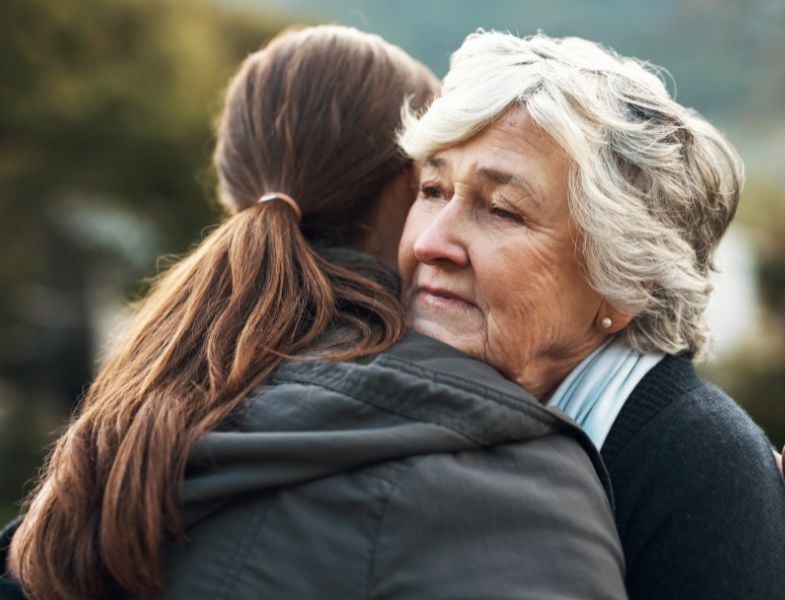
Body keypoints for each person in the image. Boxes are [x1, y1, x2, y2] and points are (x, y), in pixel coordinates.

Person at [4, 26, 627, 600]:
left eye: (499, 209)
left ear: (234, 194)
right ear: (401, 194)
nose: (438, 236)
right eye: (432, 190)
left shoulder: (138, 411)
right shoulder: (502, 473)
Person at [396, 31, 785, 600]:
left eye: (503, 210)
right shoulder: (422, 402)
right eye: (433, 189)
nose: (429, 243)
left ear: (625, 279)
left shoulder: (697, 474)